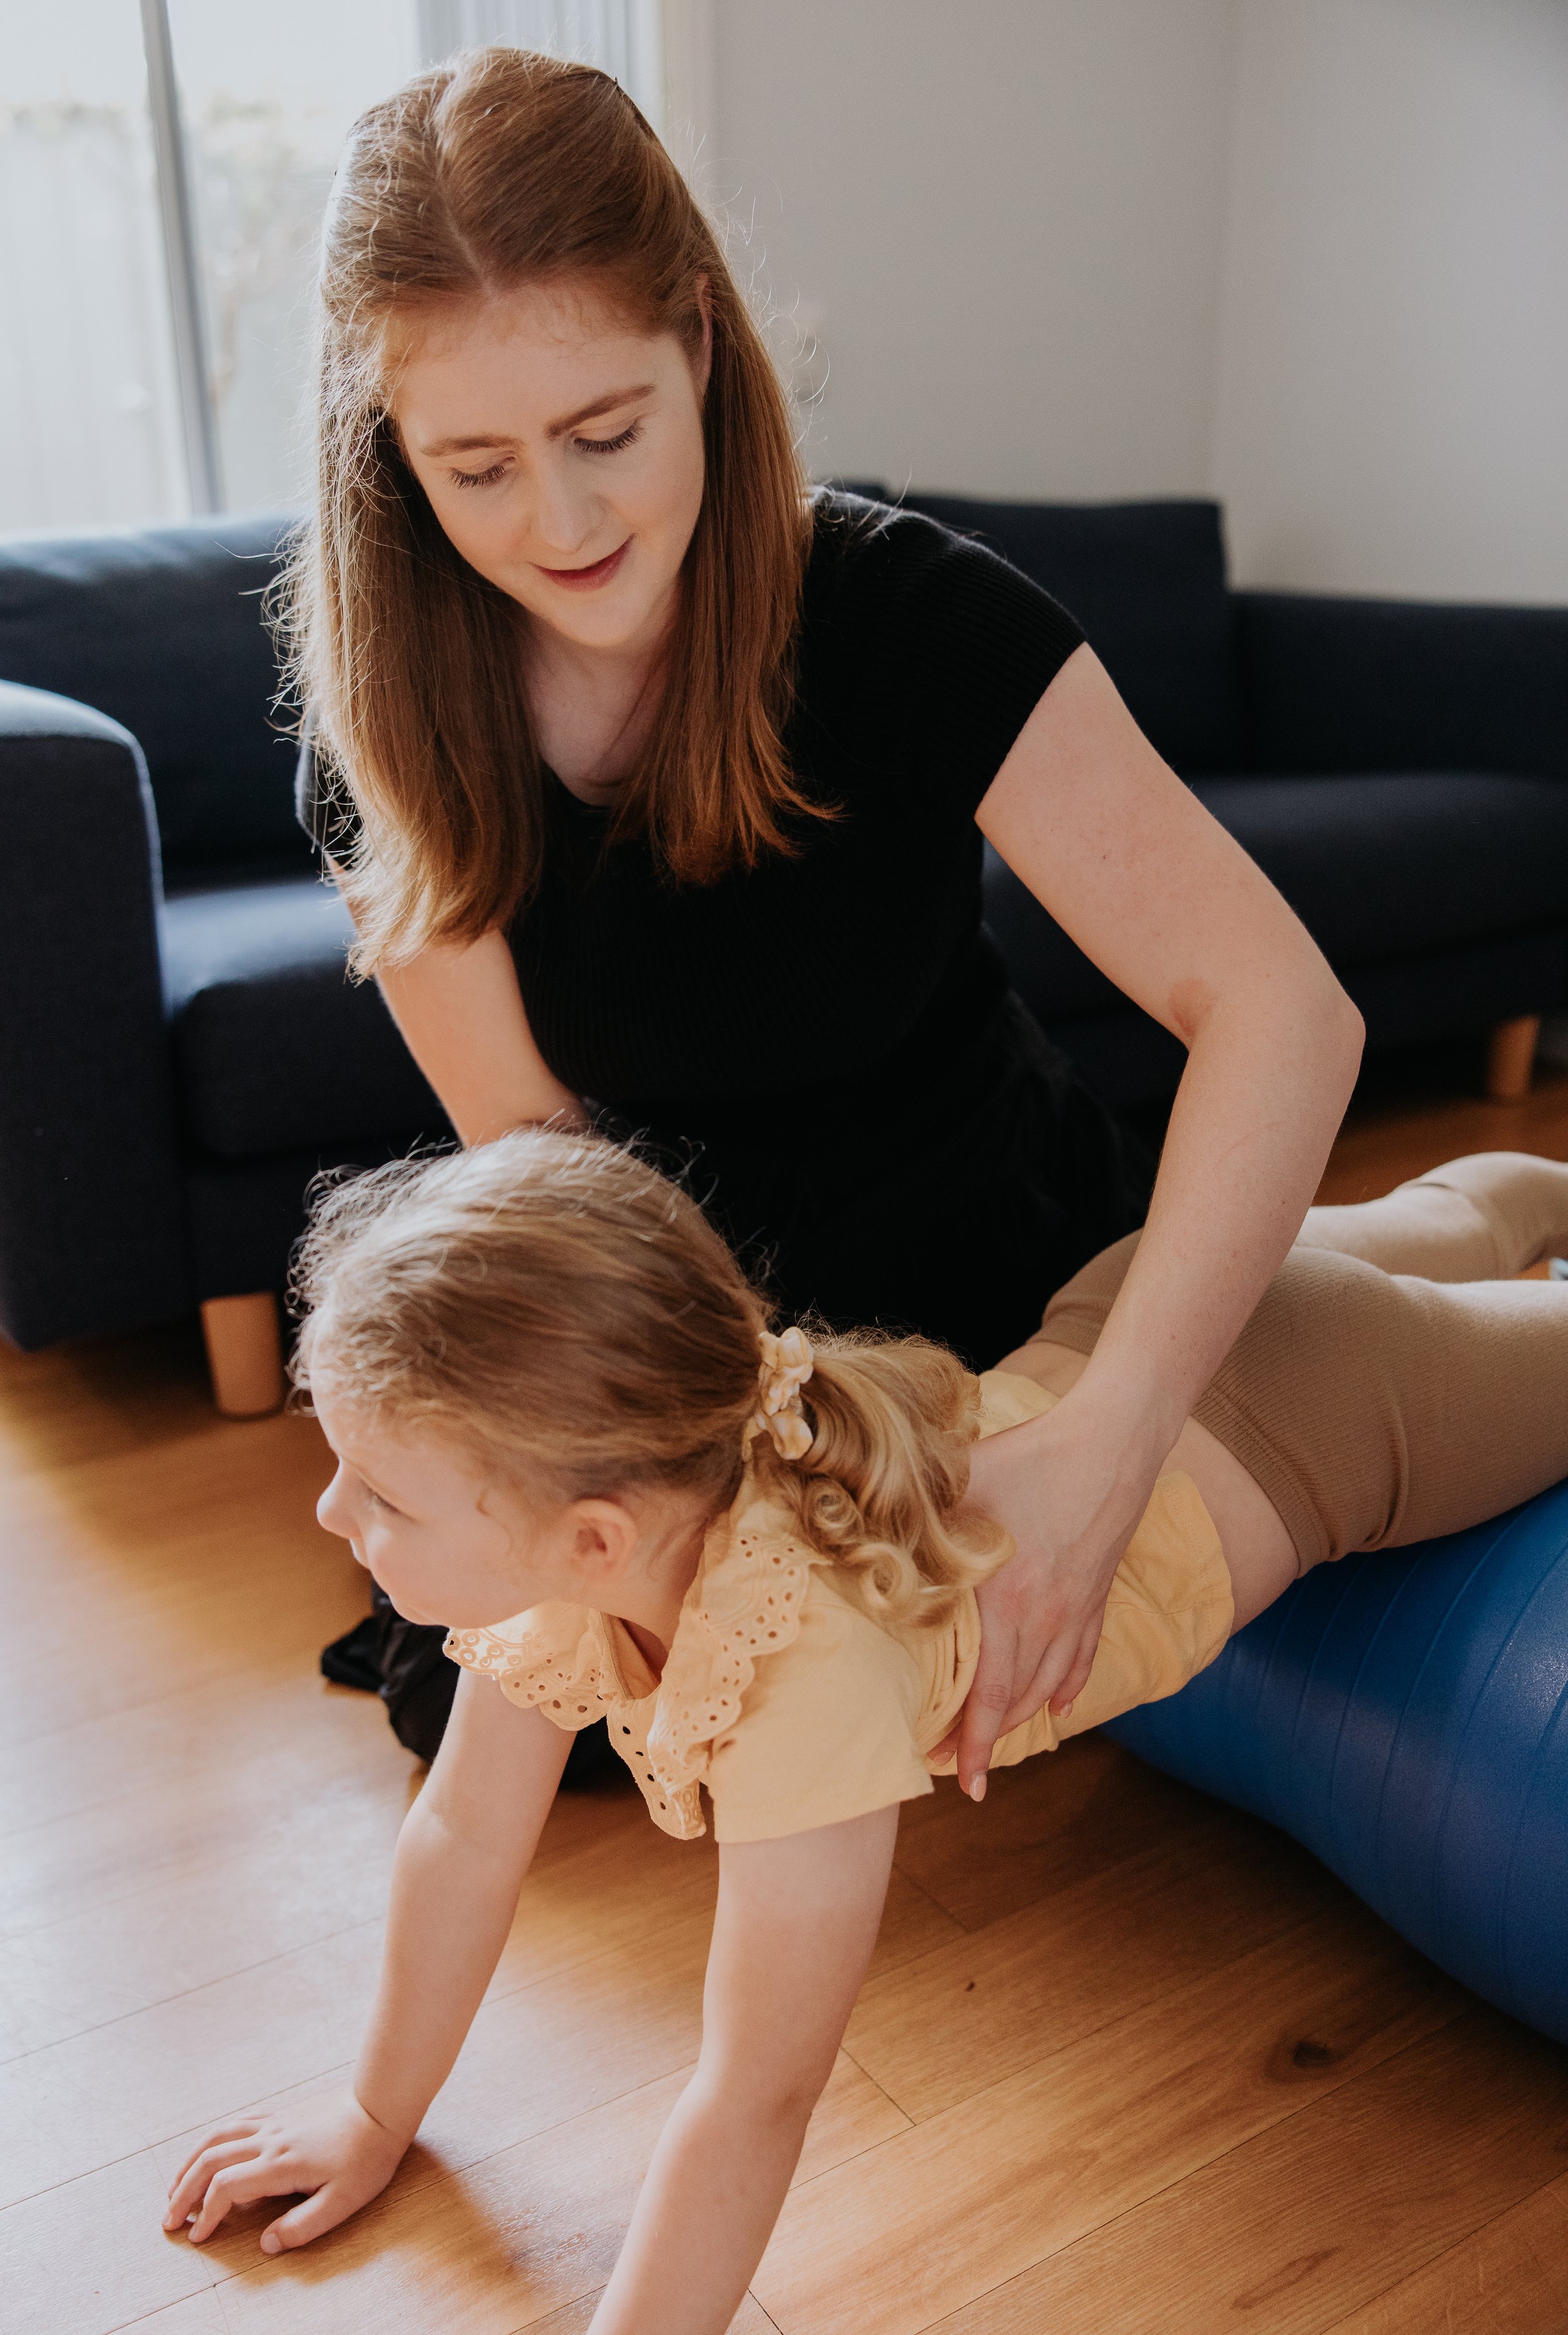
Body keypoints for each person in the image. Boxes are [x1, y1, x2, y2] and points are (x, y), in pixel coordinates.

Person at [287, 45, 1364, 1783]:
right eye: (473, 466)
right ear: (387, 457)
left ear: (700, 346)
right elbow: (559, 1189)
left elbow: (1285, 1010)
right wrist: (749, 1509)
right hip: (689, 1345)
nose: (558, 522)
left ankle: (1473, 1217)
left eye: (604, 432)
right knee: (547, 1726)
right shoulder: (389, 740)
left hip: (1004, 1267)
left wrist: (1104, 1442)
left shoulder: (907, 614)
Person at [164, 1132, 1568, 2335]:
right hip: (1122, 1308)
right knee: (1450, 1222)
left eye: (381, 1496)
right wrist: (372, 2110)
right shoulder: (588, 1561)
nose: (331, 1516)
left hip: (1323, 1420)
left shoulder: (798, 1664)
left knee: (1469, 1248)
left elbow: (755, 2094)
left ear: (594, 1534)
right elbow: (463, 1836)